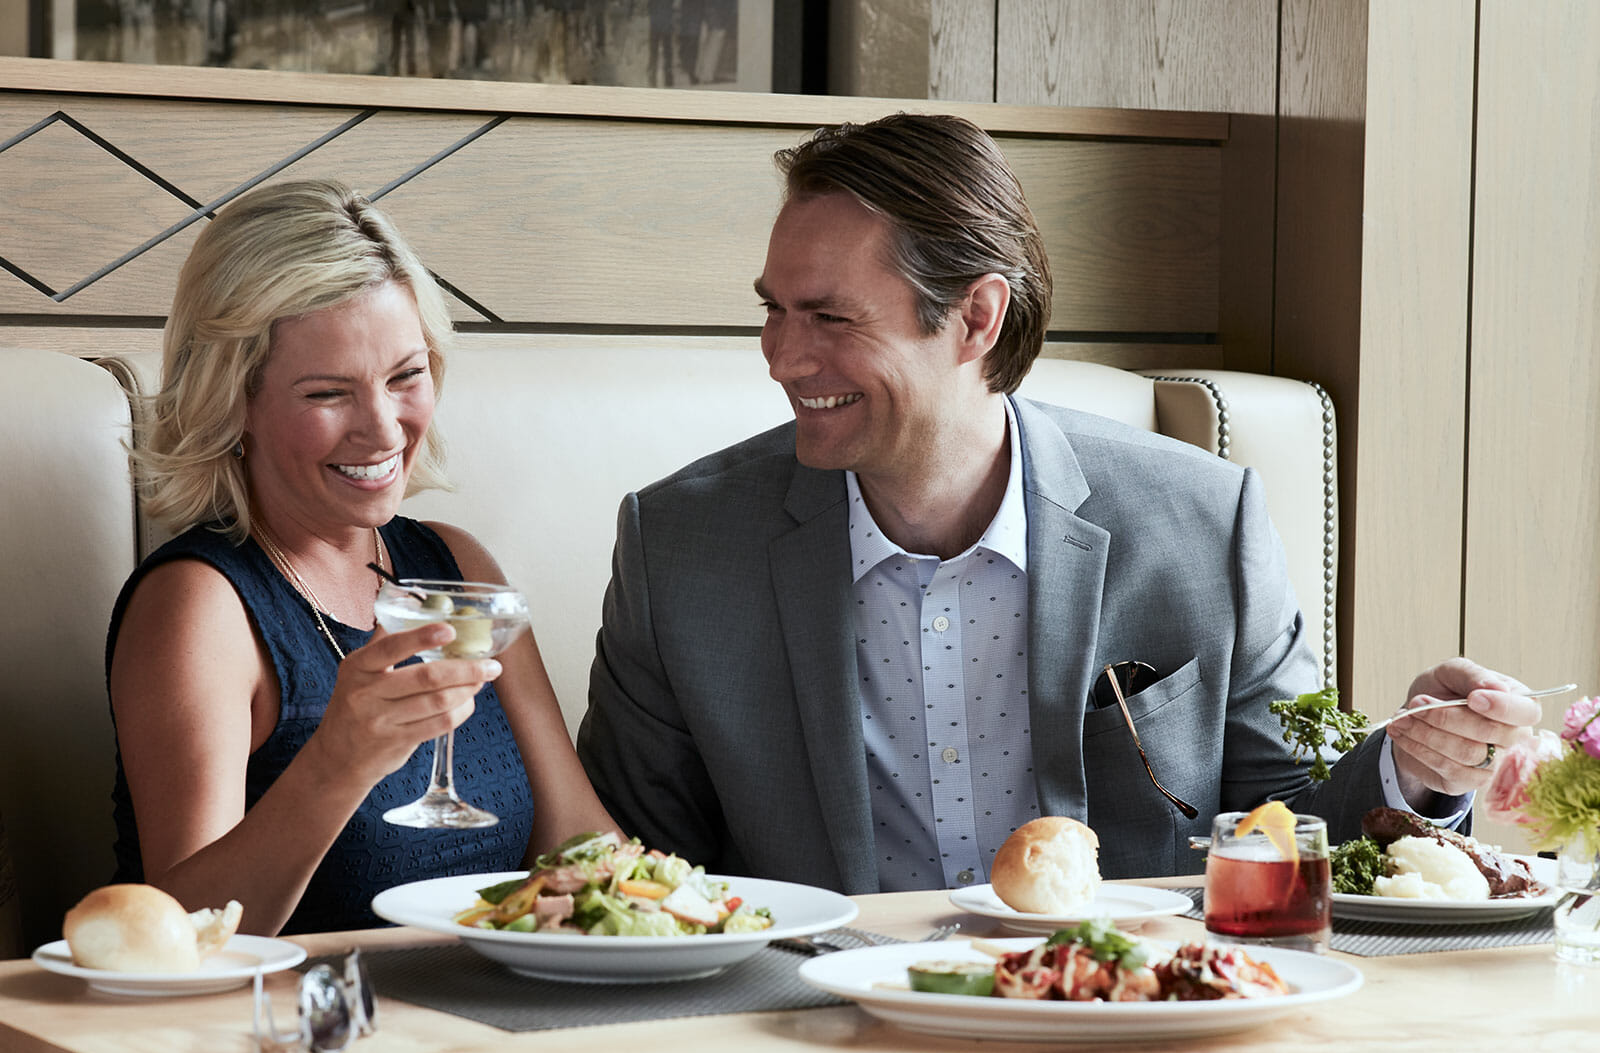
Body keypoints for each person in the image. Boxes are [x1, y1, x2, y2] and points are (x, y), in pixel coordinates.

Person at [576, 113, 1541, 893]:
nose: (784, 358)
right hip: (816, 1021)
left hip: (1129, 1013)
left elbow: (1287, 828)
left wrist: (1418, 768)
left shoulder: (1204, 523)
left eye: (830, 317)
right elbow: (631, 871)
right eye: (774, 310)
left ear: (976, 317)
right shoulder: (680, 546)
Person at [108, 179, 618, 936]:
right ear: (234, 401)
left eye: (406, 376)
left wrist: (687, 915)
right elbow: (182, 933)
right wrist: (338, 761)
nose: (382, 430)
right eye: (327, 394)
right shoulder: (199, 604)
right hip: (297, 1012)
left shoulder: (455, 567)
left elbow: (580, 843)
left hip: (487, 1007)